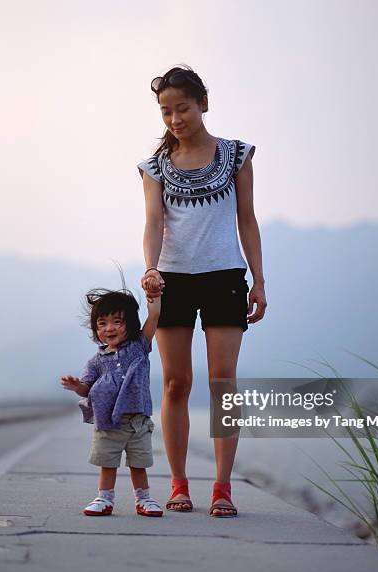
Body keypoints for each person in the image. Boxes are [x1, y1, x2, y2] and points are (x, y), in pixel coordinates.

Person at [137, 65, 267, 517]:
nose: (174, 119)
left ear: (203, 104)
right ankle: (178, 485)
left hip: (224, 277)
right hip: (171, 279)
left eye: (182, 108)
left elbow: (246, 219)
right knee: (175, 383)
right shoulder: (154, 167)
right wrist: (150, 269)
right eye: (166, 111)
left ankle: (223, 488)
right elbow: (154, 222)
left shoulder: (236, 154)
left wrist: (259, 281)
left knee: (221, 384)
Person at [61, 280, 164, 517]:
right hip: (108, 422)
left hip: (137, 421)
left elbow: (155, 317)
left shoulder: (139, 346)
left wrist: (154, 296)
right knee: (108, 464)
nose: (109, 328)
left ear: (130, 324)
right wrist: (77, 386)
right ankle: (104, 498)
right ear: (95, 329)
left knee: (139, 464)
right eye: (102, 323)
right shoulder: (96, 361)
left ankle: (144, 499)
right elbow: (86, 389)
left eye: (117, 322)